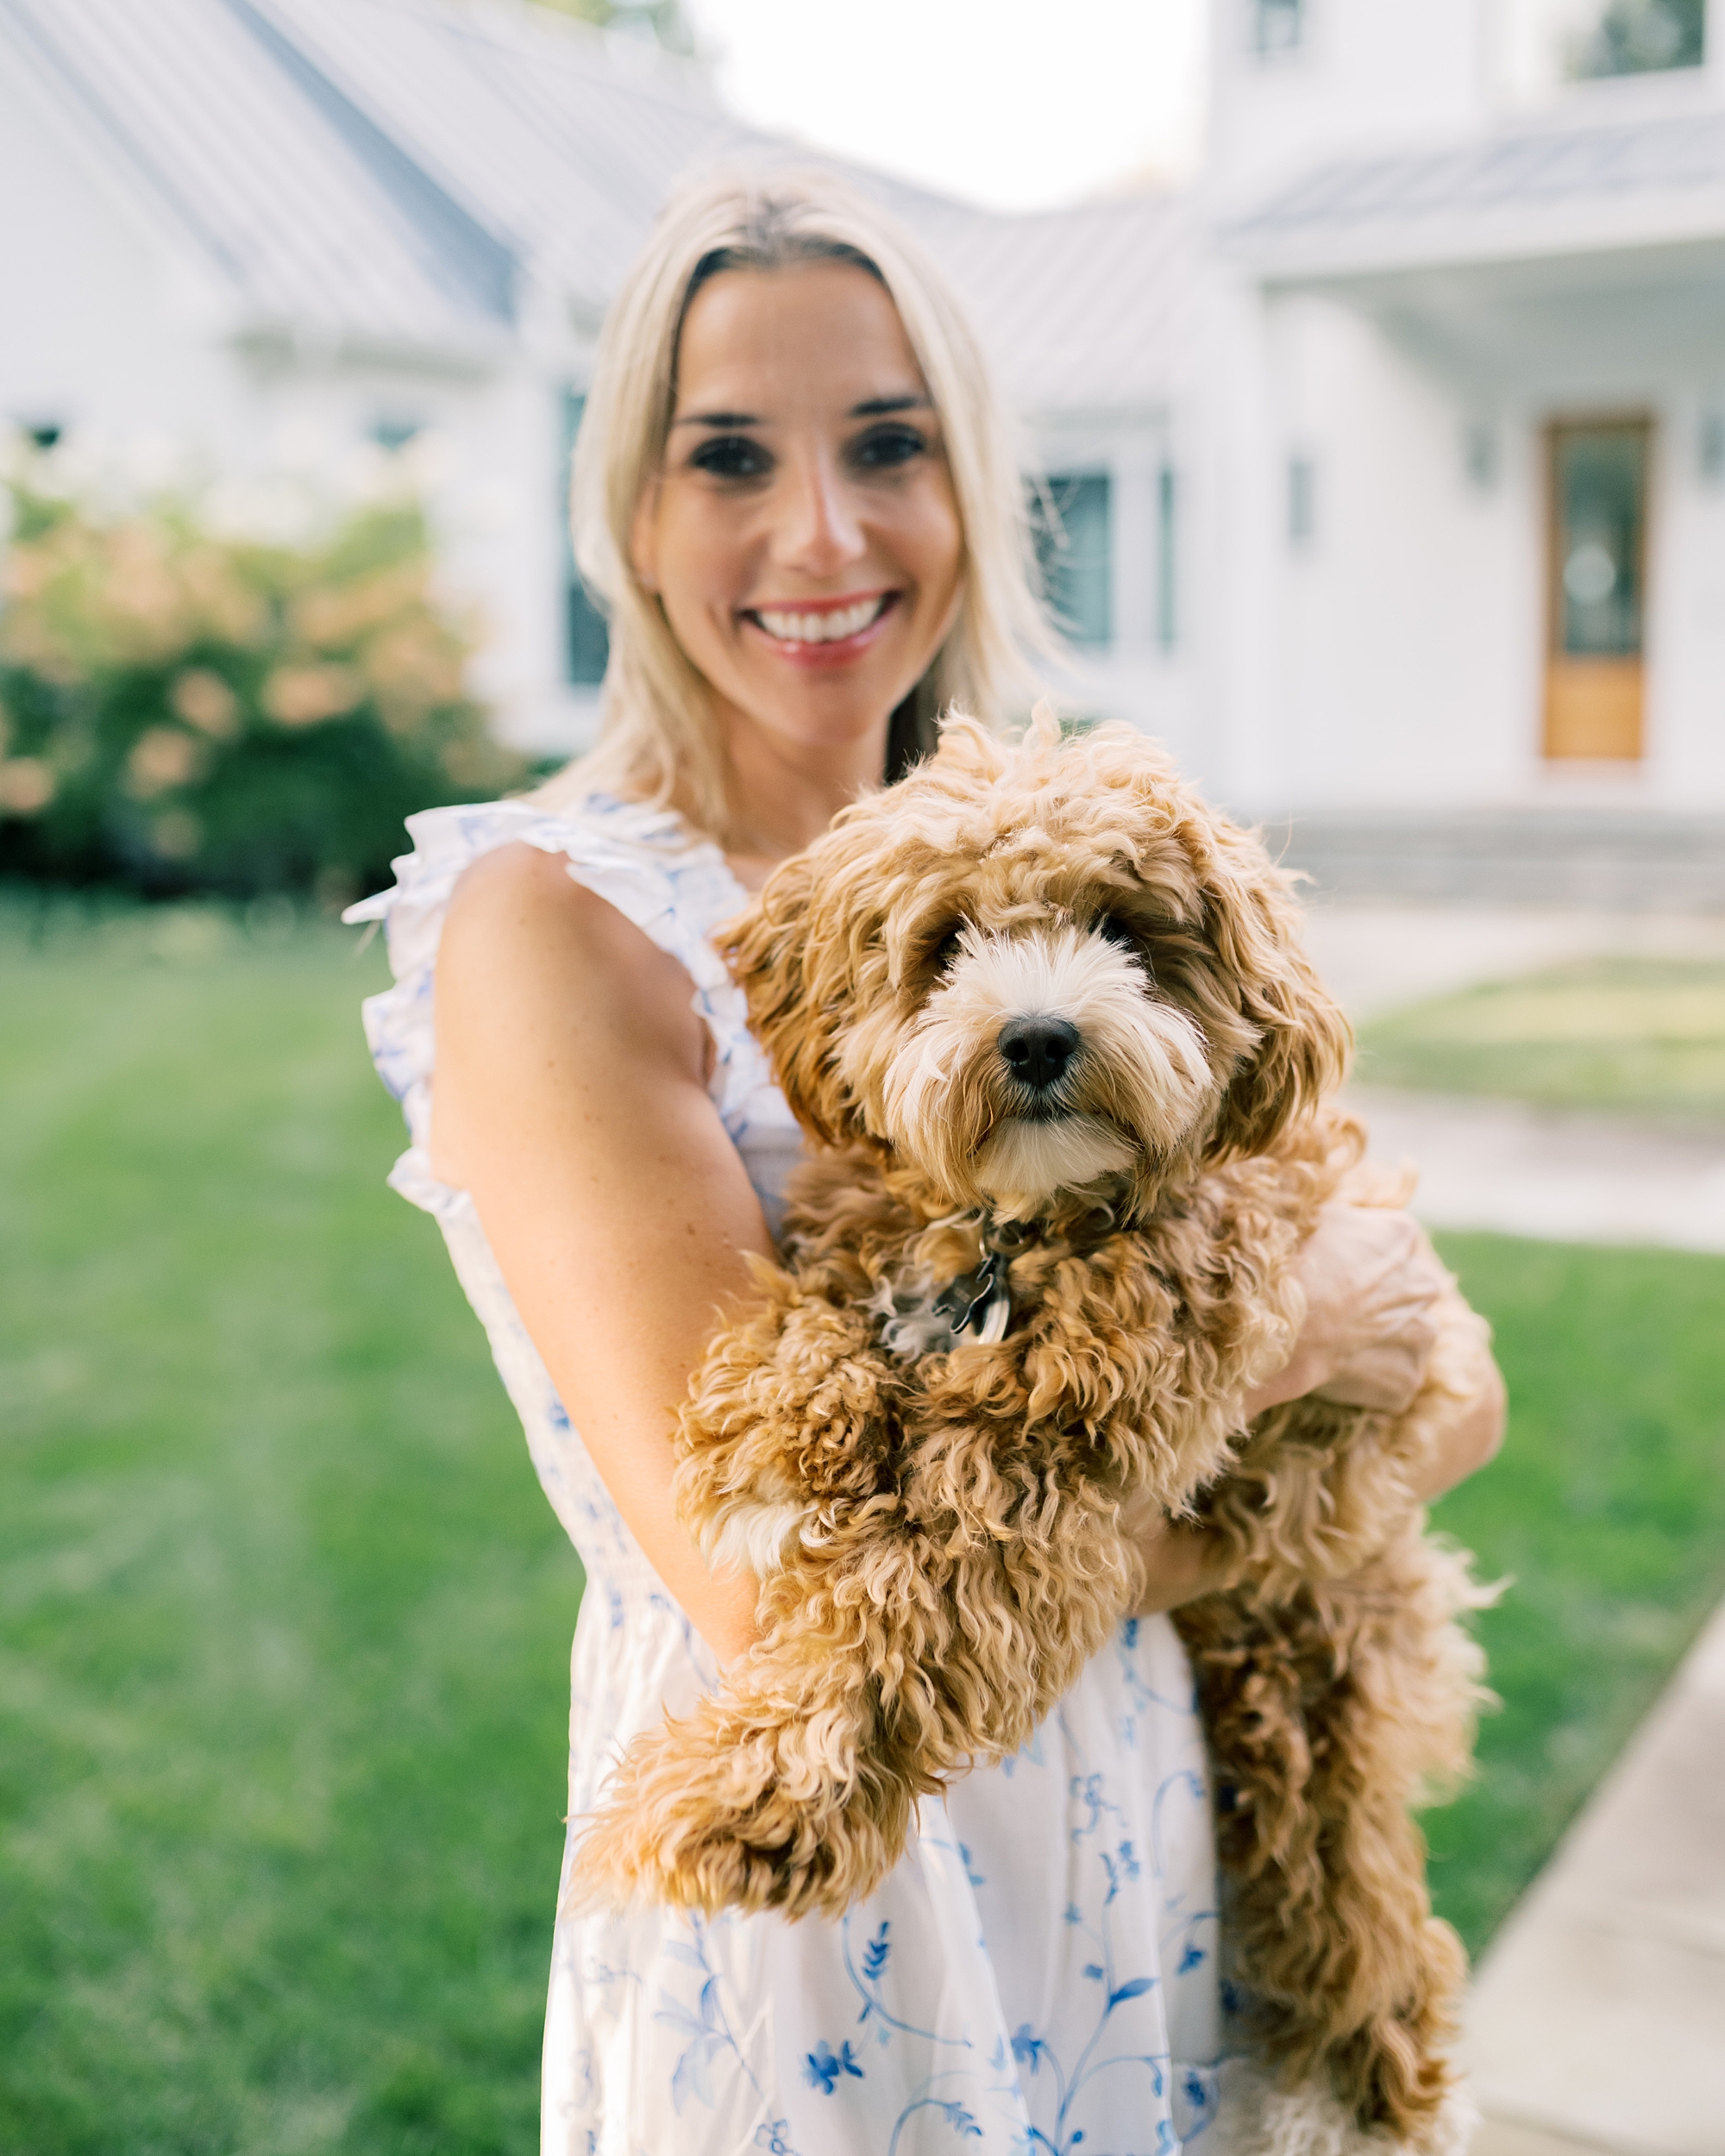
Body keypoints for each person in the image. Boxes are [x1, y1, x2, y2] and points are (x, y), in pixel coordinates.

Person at [348, 172, 1505, 2156]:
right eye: (728, 458)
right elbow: (779, 1605)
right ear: (628, 511)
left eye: (888, 444)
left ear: (968, 484)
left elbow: (1458, 1400)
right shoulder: (557, 920)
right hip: (835, 1881)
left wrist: (1314, 1411)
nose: (821, 531)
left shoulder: (1063, 856)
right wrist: (1293, 1335)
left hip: (1155, 1819)